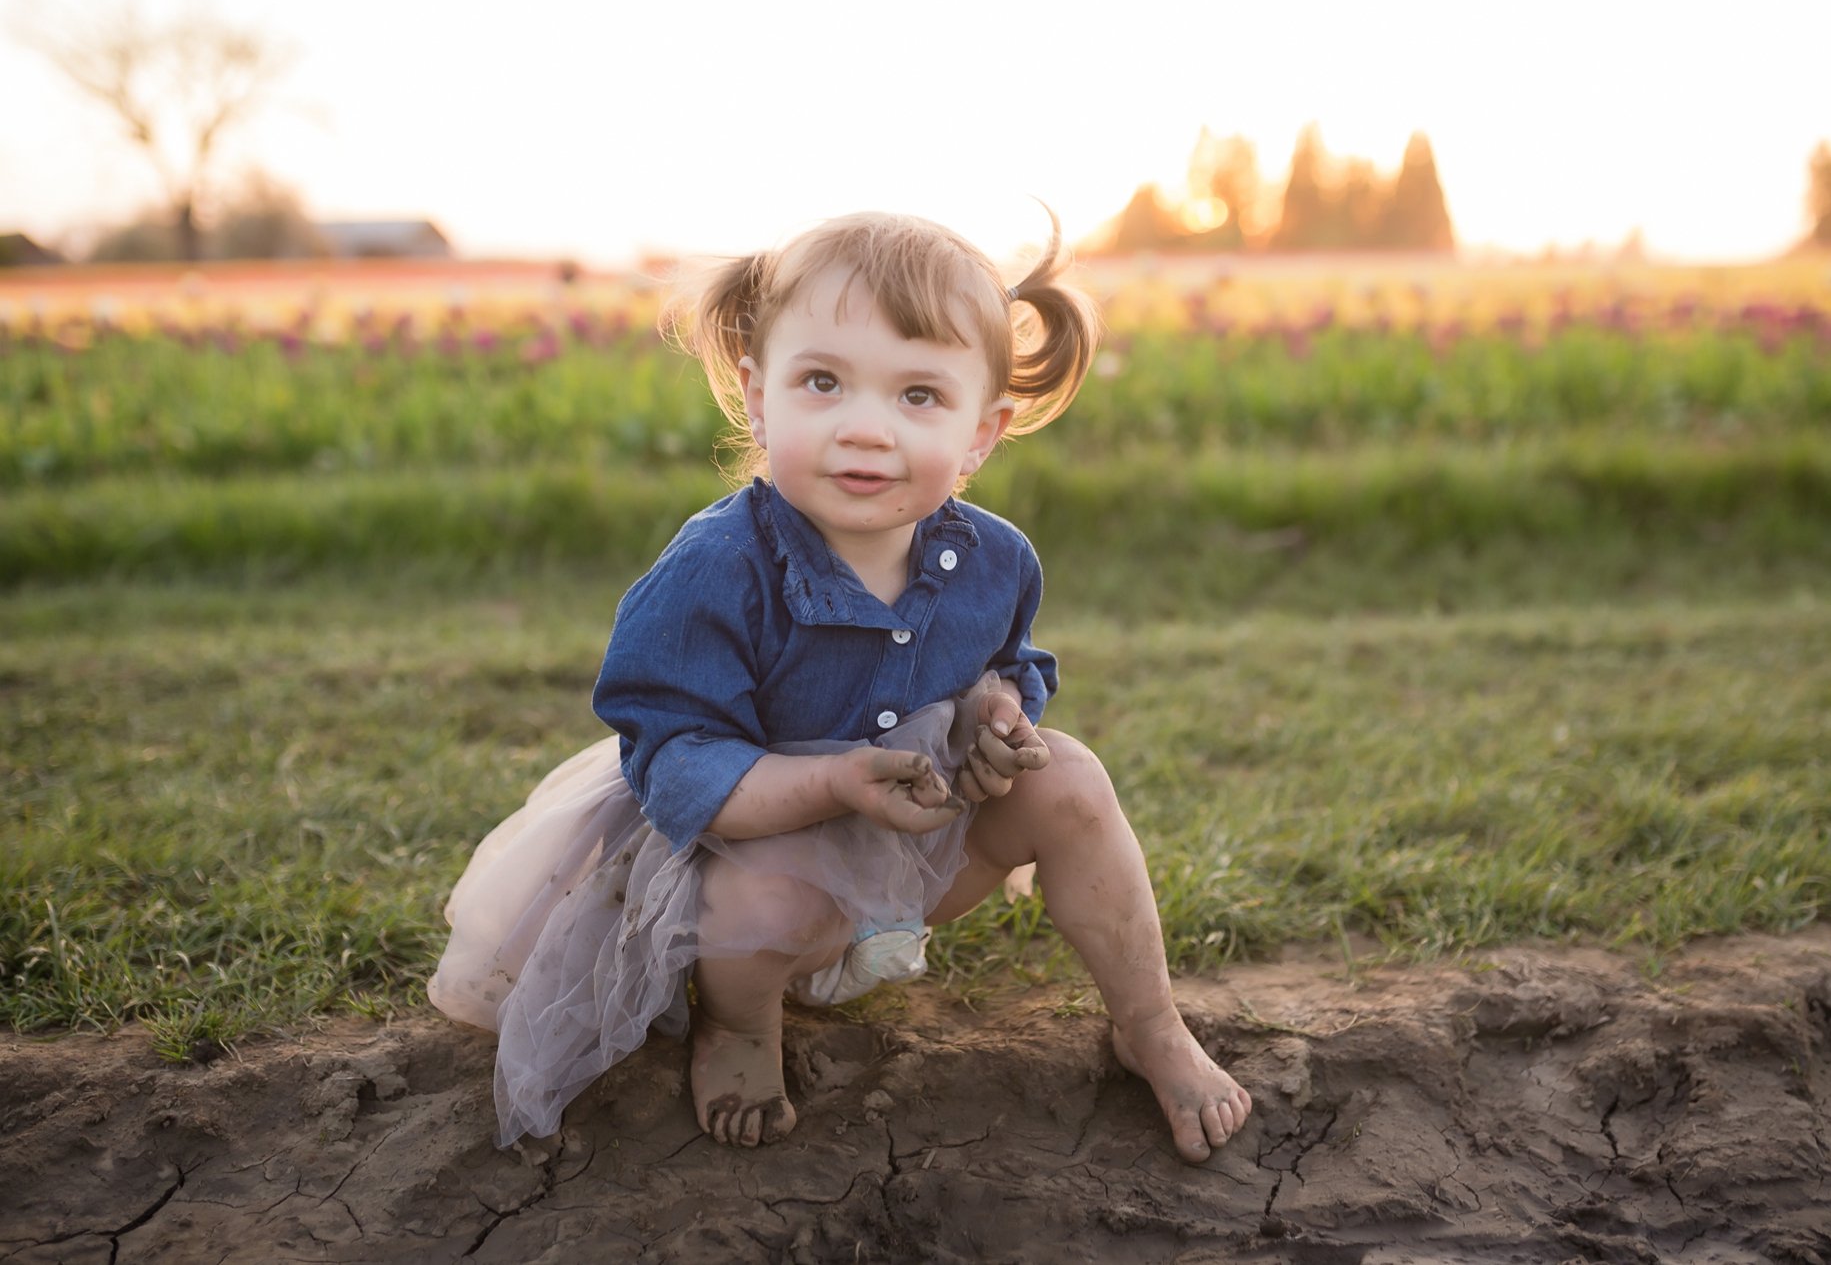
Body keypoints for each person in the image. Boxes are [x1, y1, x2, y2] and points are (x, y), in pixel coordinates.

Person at [429, 211, 1251, 1164]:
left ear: (982, 433)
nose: (866, 427)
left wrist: (1000, 716)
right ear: (758, 397)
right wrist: (830, 785)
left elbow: (1005, 663)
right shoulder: (716, 570)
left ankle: (1148, 1021)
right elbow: (675, 759)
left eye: (918, 395)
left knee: (1072, 782)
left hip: (921, 844)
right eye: (823, 382)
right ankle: (738, 1025)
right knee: (760, 906)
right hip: (755, 860)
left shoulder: (996, 559)